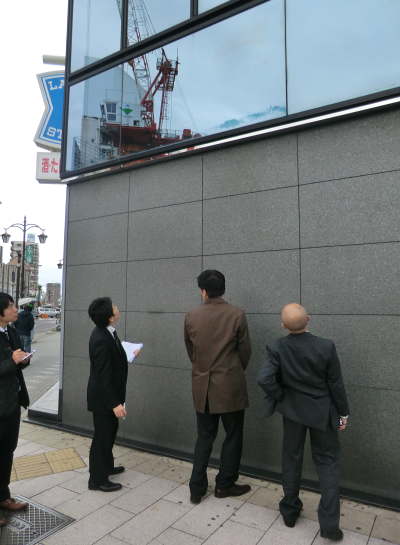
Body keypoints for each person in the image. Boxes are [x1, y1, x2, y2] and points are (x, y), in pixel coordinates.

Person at [257, 303, 350, 542]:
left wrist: (281, 397)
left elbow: (264, 378)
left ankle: (290, 512)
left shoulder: (277, 347)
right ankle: (329, 526)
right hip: (322, 414)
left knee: (291, 458)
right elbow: (336, 384)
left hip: (293, 413)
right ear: (308, 319)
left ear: (283, 325)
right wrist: (343, 413)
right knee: (327, 464)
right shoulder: (326, 346)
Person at [184, 270, 252, 504]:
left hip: (202, 386)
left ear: (202, 291)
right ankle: (225, 485)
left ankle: (196, 488)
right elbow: (245, 351)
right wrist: (233, 371)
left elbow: (191, 351)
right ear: (223, 289)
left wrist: (202, 368)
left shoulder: (191, 315)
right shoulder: (237, 315)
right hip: (230, 385)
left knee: (204, 436)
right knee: (233, 435)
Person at [87, 297, 131, 492]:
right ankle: (97, 480)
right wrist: (114, 403)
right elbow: (102, 376)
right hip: (103, 399)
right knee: (102, 438)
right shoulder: (101, 339)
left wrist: (127, 354)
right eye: (113, 306)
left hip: (109, 395)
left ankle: (106, 467)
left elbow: (112, 361)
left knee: (109, 434)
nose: (117, 307)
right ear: (110, 316)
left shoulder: (107, 332)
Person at [0, 293, 30, 527]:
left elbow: (18, 358)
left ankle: (3, 497)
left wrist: (23, 359)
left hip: (12, 403)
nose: (15, 310)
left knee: (7, 452)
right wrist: (12, 360)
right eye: (11, 306)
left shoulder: (11, 331)